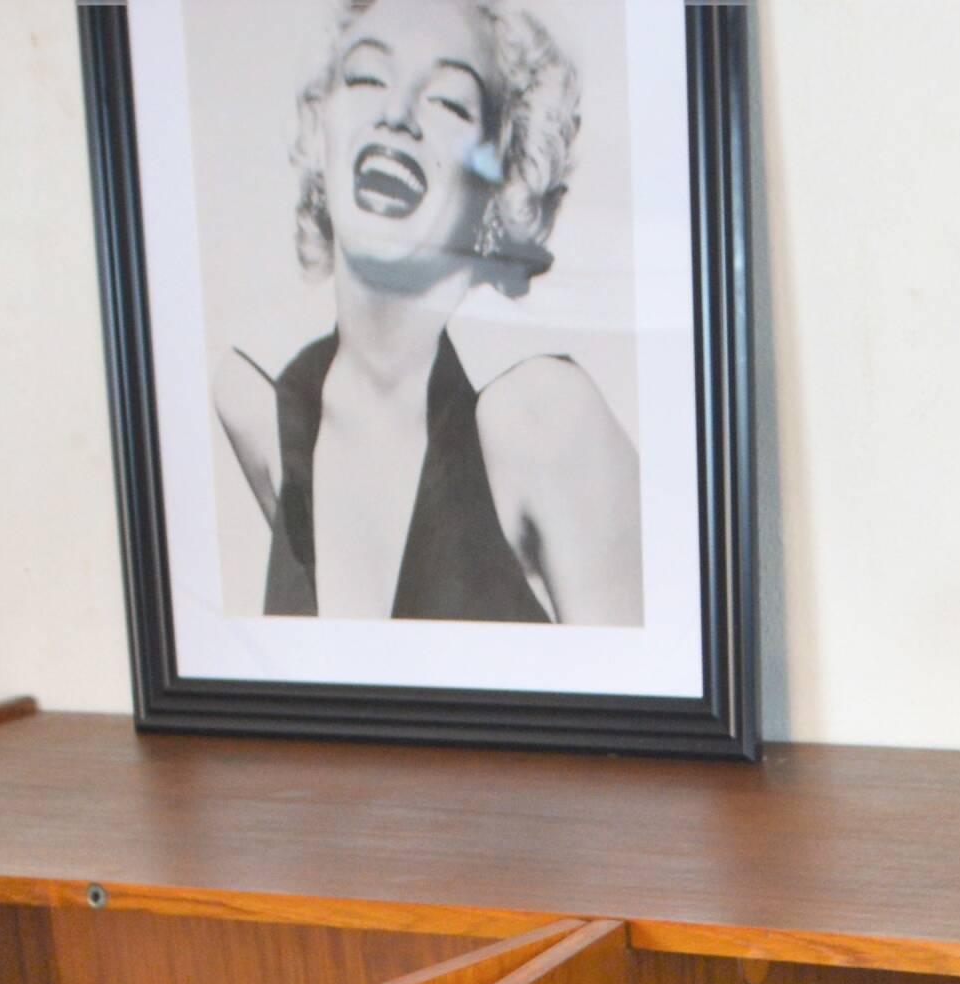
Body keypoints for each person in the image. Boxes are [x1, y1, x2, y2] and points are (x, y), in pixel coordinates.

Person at [213, 0, 644, 625]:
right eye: (365, 79)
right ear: (319, 131)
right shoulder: (258, 412)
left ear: (505, 177)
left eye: (447, 102)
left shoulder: (546, 421)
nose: (396, 115)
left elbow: (648, 705)